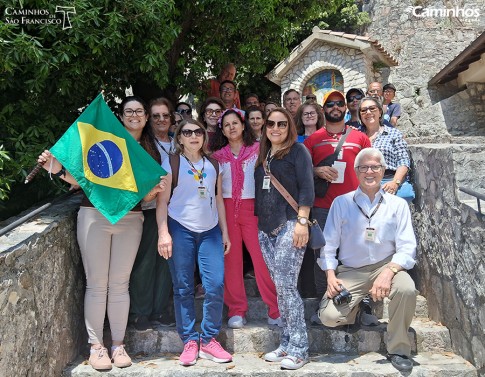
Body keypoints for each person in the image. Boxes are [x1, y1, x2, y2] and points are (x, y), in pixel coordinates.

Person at [37, 96, 164, 371]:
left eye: (139, 111)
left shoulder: (150, 150)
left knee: (120, 284)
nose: (134, 115)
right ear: (120, 116)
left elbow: (154, 189)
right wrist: (56, 169)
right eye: (129, 111)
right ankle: (97, 347)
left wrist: (153, 193)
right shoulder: (102, 137)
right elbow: (82, 179)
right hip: (94, 215)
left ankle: (118, 345)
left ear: (145, 117)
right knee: (97, 283)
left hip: (131, 219)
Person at [317, 147, 417, 373]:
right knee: (329, 317)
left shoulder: (397, 205)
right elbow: (328, 244)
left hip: (387, 266)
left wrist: (389, 271)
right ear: (356, 171)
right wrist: (331, 275)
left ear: (383, 171)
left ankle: (399, 348)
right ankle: (357, 310)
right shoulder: (342, 203)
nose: (369, 172)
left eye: (375, 167)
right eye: (364, 167)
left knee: (407, 289)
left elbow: (407, 247)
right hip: (352, 270)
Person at [156, 119, 232, 366]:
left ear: (204, 136)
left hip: (210, 231)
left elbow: (218, 199)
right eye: (187, 132)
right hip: (180, 228)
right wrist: (163, 233)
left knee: (216, 284)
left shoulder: (213, 164)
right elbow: (161, 202)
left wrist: (225, 232)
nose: (193, 136)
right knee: (183, 287)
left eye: (198, 131)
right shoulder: (171, 163)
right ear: (179, 138)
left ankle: (209, 340)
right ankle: (189, 339)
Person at [254, 108, 314, 370]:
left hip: (291, 224)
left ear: (289, 127)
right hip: (266, 229)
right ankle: (287, 343)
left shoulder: (298, 151)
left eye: (281, 124)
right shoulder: (264, 154)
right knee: (280, 288)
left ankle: (300, 349)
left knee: (288, 287)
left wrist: (302, 222)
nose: (275, 128)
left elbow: (307, 189)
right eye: (271, 124)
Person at [211, 109, 280, 329]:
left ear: (243, 125)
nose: (232, 127)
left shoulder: (258, 149)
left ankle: (275, 309)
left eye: (235, 123)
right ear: (222, 129)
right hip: (228, 207)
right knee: (231, 260)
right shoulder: (216, 156)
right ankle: (236, 310)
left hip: (253, 208)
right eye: (227, 124)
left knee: (262, 259)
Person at [303, 90, 371, 303]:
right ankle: (325, 303)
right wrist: (316, 170)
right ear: (324, 109)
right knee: (323, 257)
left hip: (355, 207)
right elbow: (301, 171)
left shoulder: (360, 137)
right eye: (330, 104)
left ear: (345, 107)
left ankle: (360, 303)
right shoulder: (313, 139)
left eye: (339, 103)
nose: (335, 107)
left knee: (358, 255)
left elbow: (371, 168)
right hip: (323, 208)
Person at [129, 97, 175, 332]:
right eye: (155, 116)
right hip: (147, 210)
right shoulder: (143, 144)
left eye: (165, 115)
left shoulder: (178, 142)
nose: (161, 120)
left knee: (166, 262)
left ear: (171, 117)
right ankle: (140, 312)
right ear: (149, 119)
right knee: (145, 262)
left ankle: (159, 309)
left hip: (173, 211)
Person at [358, 97, 414, 202]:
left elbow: (403, 160)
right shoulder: (356, 136)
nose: (368, 112)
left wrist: (395, 183)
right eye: (363, 110)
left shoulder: (393, 133)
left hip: (389, 183)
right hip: (365, 186)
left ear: (380, 112)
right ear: (360, 115)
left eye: (372, 108)